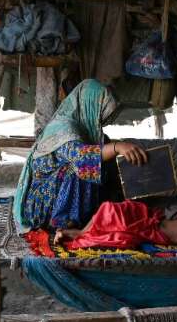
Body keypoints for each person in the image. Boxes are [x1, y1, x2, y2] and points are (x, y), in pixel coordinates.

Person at [14, 79, 148, 233]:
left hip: (58, 198)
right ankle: (64, 224)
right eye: (100, 114)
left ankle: (95, 215)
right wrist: (118, 147)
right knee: (82, 168)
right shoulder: (63, 129)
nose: (101, 122)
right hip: (38, 207)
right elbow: (82, 158)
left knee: (104, 160)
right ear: (89, 105)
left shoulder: (87, 131)